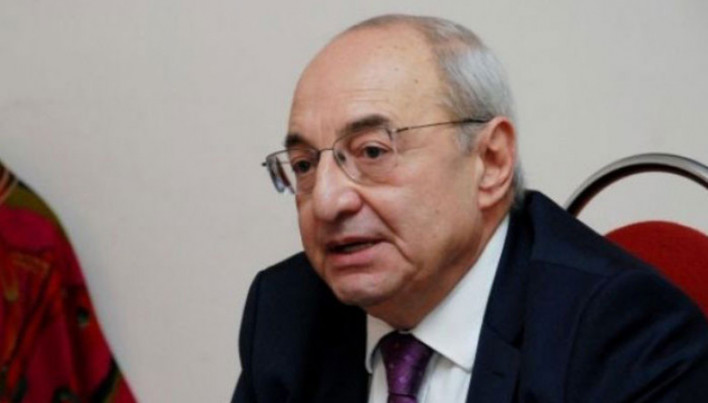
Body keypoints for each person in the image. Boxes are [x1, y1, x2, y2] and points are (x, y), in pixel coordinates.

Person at [232, 14, 708, 403]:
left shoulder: (625, 332)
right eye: (304, 165)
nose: (326, 201)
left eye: (372, 152)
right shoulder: (287, 311)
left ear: (491, 161)